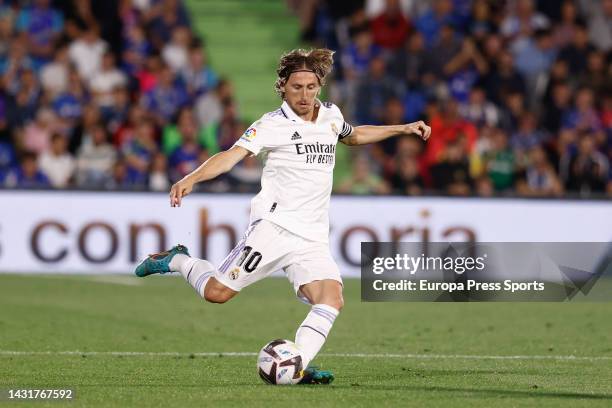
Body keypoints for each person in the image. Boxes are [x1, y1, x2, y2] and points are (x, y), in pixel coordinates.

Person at [134, 49, 431, 384]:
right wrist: (191, 178)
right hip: (274, 228)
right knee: (216, 293)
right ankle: (177, 260)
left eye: (310, 86)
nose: (304, 95)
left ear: (319, 86)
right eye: (296, 87)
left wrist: (403, 128)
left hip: (313, 235)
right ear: (283, 88)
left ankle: (297, 365)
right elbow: (231, 156)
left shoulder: (331, 115)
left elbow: (354, 135)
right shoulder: (271, 125)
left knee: (331, 298)